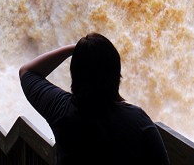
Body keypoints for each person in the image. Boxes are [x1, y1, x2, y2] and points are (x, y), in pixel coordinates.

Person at [19, 32, 170, 165]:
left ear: (74, 74)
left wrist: (76, 49)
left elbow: (27, 71)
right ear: (116, 75)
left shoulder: (61, 110)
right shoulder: (139, 121)